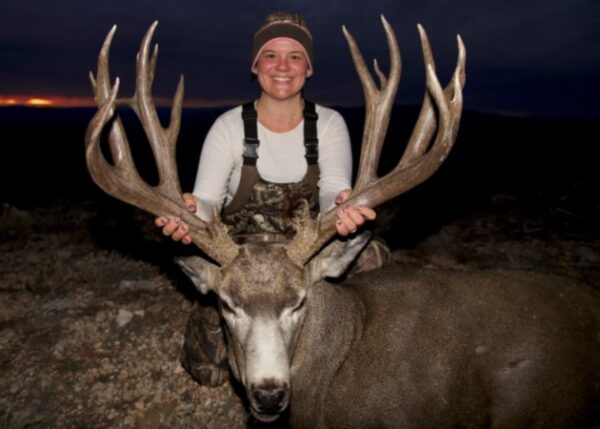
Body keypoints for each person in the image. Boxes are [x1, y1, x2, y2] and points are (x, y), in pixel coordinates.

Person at [155, 11, 390, 387]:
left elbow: (332, 188)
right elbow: (206, 200)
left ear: (308, 68)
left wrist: (343, 208)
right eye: (271, 55)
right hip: (246, 264)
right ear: (255, 65)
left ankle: (356, 350)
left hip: (303, 255)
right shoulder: (230, 127)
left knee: (372, 258)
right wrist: (186, 216)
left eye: (295, 56)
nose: (283, 66)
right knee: (210, 368)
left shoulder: (328, 125)